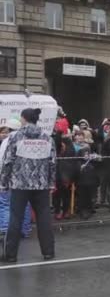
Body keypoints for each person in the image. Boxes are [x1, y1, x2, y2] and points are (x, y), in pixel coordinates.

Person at [0, 108, 56, 262]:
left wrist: (4, 183)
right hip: (41, 184)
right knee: (44, 218)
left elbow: (7, 162)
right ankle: (48, 252)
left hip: (20, 184)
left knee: (15, 218)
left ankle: (11, 254)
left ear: (23, 118)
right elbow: (52, 163)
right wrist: (51, 183)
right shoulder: (47, 138)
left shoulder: (16, 136)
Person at [0, 119, 32, 238]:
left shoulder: (6, 141)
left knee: (6, 204)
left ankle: (6, 231)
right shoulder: (27, 140)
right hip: (25, 180)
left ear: (9, 129)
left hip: (8, 178)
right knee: (25, 204)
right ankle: (25, 230)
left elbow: (2, 162)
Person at [76, 145, 100, 220]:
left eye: (87, 153)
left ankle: (89, 209)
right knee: (82, 197)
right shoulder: (78, 161)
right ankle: (83, 210)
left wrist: (97, 158)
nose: (86, 155)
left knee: (91, 196)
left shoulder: (92, 160)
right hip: (82, 182)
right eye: (84, 153)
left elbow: (100, 161)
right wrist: (79, 168)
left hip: (92, 181)